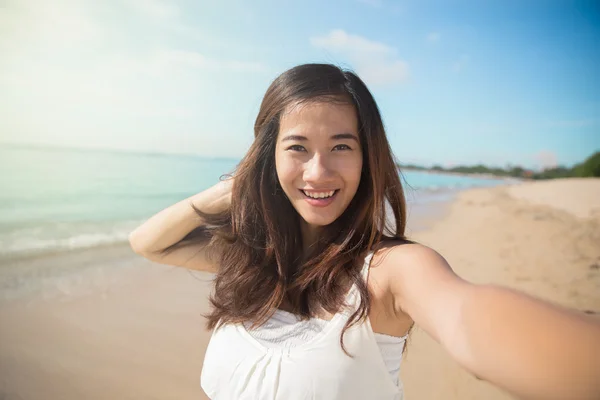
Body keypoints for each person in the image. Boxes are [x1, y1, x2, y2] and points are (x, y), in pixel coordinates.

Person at [129, 63, 600, 400]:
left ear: (367, 157)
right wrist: (234, 190)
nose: (319, 171)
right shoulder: (252, 258)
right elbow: (147, 242)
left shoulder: (390, 270)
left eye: (341, 146)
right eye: (298, 147)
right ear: (267, 155)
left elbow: (467, 317)